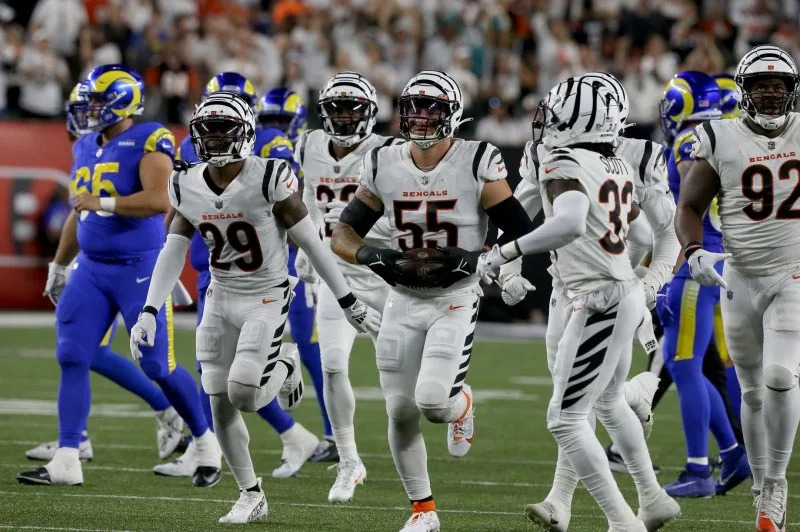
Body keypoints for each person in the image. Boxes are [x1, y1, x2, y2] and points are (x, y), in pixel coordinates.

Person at [130, 91, 379, 524]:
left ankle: (284, 363)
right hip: (221, 296)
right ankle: (250, 493)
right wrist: (149, 310)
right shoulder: (187, 181)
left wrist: (348, 299)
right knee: (218, 400)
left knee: (243, 392)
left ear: (244, 133)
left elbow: (313, 243)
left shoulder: (270, 177)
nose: (216, 138)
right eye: (208, 130)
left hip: (267, 293)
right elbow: (173, 248)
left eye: (225, 129)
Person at [331, 70, 535, 531]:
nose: (422, 118)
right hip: (401, 296)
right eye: (415, 108)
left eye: (433, 108)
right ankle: (423, 512)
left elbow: (522, 229)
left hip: (455, 297)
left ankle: (461, 403)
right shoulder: (384, 161)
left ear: (453, 114)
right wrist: (374, 255)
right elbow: (341, 233)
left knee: (431, 402)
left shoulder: (477, 159)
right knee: (399, 410)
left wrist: (481, 259)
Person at [478, 75, 680, 531]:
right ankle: (646, 498)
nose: (546, 123)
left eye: (557, 115)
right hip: (588, 287)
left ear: (579, 120)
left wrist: (504, 256)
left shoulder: (571, 158)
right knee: (599, 401)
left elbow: (573, 224)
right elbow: (523, 213)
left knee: (567, 415)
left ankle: (621, 521)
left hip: (601, 295)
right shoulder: (611, 162)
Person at [16, 65, 216, 487]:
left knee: (156, 364)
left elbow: (160, 200)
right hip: (90, 267)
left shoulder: (150, 137)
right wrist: (58, 264)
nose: (88, 111)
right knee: (72, 354)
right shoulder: (86, 145)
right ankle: (68, 455)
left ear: (122, 101)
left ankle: (204, 439)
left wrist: (103, 202)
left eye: (96, 102)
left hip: (139, 267)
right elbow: (78, 209)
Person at [164, 72, 320, 482]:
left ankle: (211, 449)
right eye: (213, 110)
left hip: (259, 271)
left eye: (229, 109)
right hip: (212, 265)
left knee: (240, 375)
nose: (217, 126)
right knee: (218, 373)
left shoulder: (268, 146)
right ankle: (270, 439)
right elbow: (180, 218)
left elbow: (291, 207)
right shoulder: (193, 146)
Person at [675, 44, 800, 532]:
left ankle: (776, 482)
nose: (772, 95)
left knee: (780, 376)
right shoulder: (718, 135)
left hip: (793, 272)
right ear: (743, 92)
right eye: (762, 86)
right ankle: (759, 485)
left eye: (781, 86)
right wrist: (693, 252)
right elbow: (689, 206)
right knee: (749, 390)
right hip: (740, 274)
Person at [293, 71, 402, 503]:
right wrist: (306, 246)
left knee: (405, 379)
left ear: (368, 112)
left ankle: (455, 397)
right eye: (334, 107)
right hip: (333, 275)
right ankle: (349, 460)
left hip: (382, 271)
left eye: (350, 107)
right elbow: (304, 194)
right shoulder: (309, 144)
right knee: (333, 365)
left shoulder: (389, 151)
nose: (341, 115)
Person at [657, 71, 750, 498]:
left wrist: (664, 274)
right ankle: (733, 452)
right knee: (703, 365)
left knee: (685, 366)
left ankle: (698, 467)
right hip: (721, 260)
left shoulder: (690, 141)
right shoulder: (727, 133)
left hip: (694, 263)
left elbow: (690, 203)